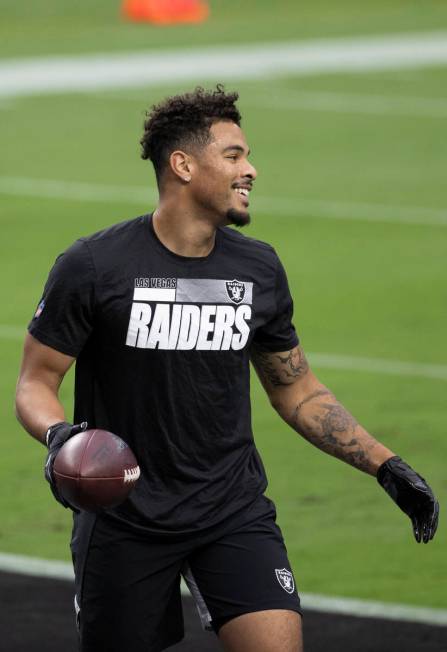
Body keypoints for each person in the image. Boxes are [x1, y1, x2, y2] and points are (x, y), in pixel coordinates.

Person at [15, 85, 438, 652]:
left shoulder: (258, 267)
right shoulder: (94, 265)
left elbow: (297, 391)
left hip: (231, 509)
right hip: (125, 515)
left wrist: (386, 466)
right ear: (184, 165)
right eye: (234, 155)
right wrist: (61, 438)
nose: (252, 169)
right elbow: (36, 382)